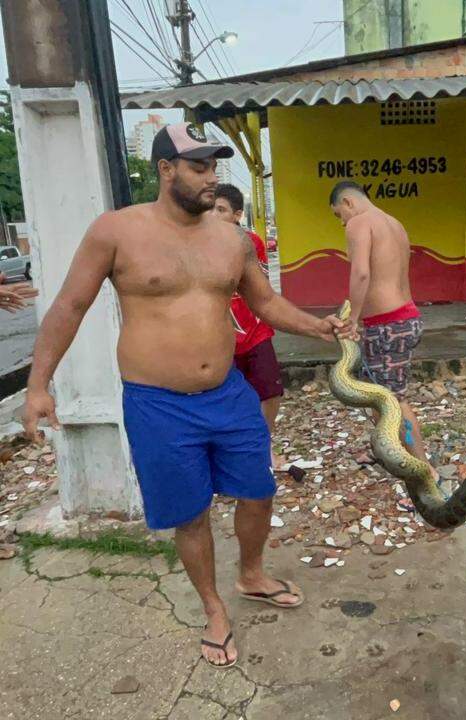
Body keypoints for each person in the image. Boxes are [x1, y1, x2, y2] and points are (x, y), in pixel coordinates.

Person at [22, 122, 350, 670]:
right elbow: (69, 307)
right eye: (199, 167)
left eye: (213, 167)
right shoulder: (116, 231)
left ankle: (250, 574)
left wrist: (319, 328)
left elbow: (265, 302)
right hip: (158, 403)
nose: (210, 178)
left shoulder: (231, 239)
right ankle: (214, 607)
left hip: (228, 392)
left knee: (259, 489)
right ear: (166, 170)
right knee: (191, 513)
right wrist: (38, 385)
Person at [329, 181, 437, 483]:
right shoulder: (394, 223)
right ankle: (383, 449)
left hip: (388, 326)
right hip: (405, 319)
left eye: (340, 214)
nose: (342, 222)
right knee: (380, 396)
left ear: (348, 203)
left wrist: (354, 318)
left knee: (393, 401)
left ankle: (423, 472)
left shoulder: (360, 223)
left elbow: (361, 272)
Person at [213, 184, 283, 467]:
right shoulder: (196, 243)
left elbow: (263, 291)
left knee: (271, 391)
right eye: (210, 209)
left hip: (255, 331)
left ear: (237, 214)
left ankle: (262, 445)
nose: (213, 215)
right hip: (218, 337)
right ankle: (230, 454)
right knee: (227, 399)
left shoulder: (251, 242)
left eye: (220, 210)